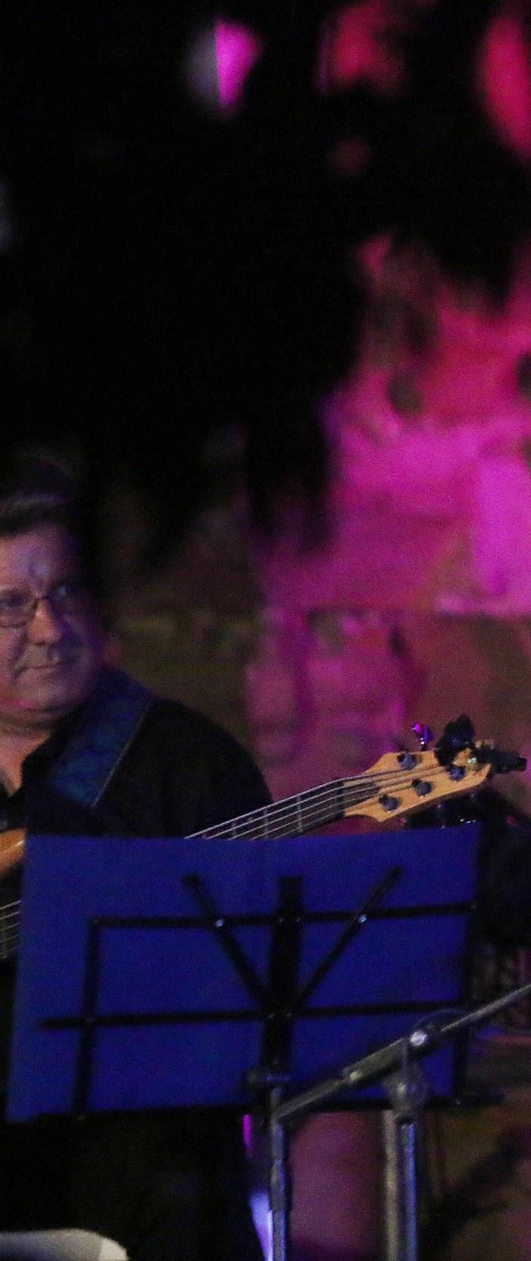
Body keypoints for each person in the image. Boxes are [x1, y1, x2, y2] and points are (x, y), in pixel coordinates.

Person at [0, 455, 268, 1260]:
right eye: (11, 605)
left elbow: (256, 990)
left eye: (68, 593)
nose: (49, 629)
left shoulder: (188, 765)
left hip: (141, 1188)